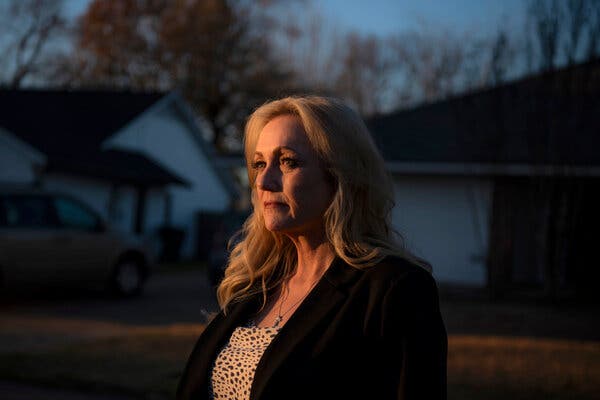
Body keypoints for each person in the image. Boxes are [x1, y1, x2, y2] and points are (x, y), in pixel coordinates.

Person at [177, 95, 447, 400]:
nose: (264, 181)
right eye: (259, 164)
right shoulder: (258, 283)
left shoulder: (393, 289)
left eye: (287, 162)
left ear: (339, 176)